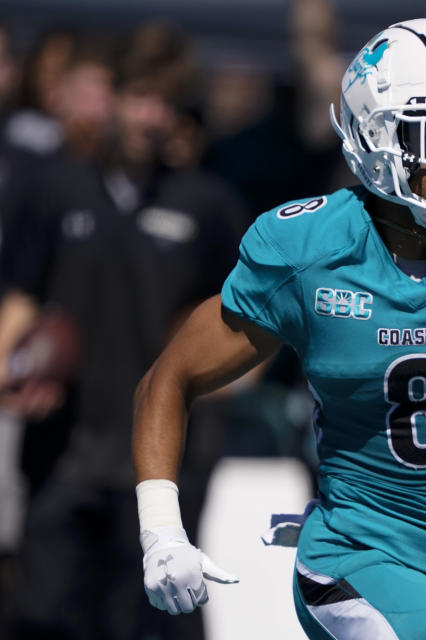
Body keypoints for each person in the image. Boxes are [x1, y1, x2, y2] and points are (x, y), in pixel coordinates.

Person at [132, 18, 426, 640]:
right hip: (350, 558)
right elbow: (169, 378)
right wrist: (161, 530)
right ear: (374, 135)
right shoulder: (308, 249)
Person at [2, 23, 248, 640]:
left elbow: (251, 321)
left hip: (162, 460)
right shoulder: (53, 189)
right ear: (110, 96)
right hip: (66, 447)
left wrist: (227, 378)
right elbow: (19, 300)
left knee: (154, 619)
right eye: (139, 96)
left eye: (163, 101)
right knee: (47, 614)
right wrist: (11, 371)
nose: (149, 115)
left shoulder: (205, 205)